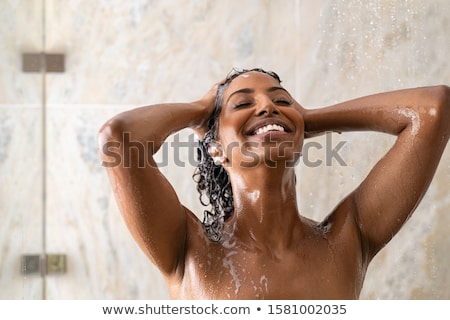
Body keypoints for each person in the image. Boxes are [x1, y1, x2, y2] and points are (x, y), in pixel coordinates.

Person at [98, 68, 449, 299]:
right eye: (244, 103)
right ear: (216, 149)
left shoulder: (347, 237)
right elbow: (118, 138)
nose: (267, 105)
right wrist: (200, 109)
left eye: (281, 100)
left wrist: (305, 119)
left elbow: (434, 109)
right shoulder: (187, 249)